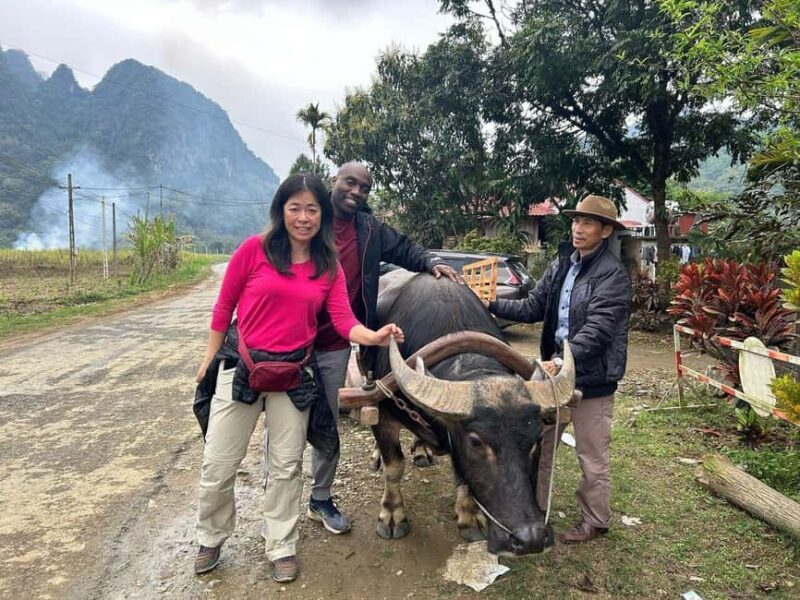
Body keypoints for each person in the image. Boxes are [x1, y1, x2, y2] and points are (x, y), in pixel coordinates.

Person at [193, 173, 404, 583]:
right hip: (242, 367)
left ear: (322, 215)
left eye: (312, 209)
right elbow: (223, 308)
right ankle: (211, 537)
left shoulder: (327, 265)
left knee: (286, 466)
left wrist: (374, 335)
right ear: (281, 210)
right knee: (218, 463)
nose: (303, 218)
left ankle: (281, 545)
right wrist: (208, 359)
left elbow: (343, 319)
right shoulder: (253, 250)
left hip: (294, 375)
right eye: (295, 208)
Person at [263, 162, 459, 535]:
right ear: (333, 182)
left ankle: (320, 498)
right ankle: (273, 504)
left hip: (335, 341)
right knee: (281, 427)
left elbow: (405, 248)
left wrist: (432, 262)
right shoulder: (308, 223)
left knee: (326, 423)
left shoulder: (369, 230)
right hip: (285, 343)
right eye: (350, 183)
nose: (356, 192)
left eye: (364, 188)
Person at [484, 194, 631, 544]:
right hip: (553, 375)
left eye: (587, 223)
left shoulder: (613, 275)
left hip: (591, 379)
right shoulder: (563, 263)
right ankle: (534, 509)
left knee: (591, 454)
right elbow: (533, 306)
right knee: (541, 444)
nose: (577, 228)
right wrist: (488, 304)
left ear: (606, 231)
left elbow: (598, 330)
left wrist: (564, 360)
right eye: (575, 221)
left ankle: (596, 520)